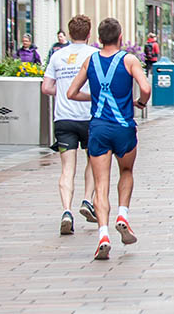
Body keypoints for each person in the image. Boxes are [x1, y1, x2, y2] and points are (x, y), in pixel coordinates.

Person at [67, 18, 151, 260]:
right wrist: (141, 104)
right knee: (126, 172)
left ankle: (103, 234)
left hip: (99, 128)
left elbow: (71, 93)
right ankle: (123, 215)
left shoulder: (90, 60)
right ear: (120, 36)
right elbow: (145, 88)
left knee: (100, 184)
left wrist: (94, 98)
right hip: (124, 127)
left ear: (99, 38)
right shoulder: (129, 60)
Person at [41, 16, 98, 235]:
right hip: (89, 118)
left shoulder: (58, 55)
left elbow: (46, 88)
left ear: (69, 32)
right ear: (89, 33)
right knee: (93, 161)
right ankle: (87, 200)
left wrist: (64, 91)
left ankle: (66, 210)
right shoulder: (93, 55)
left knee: (67, 168)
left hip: (63, 119)